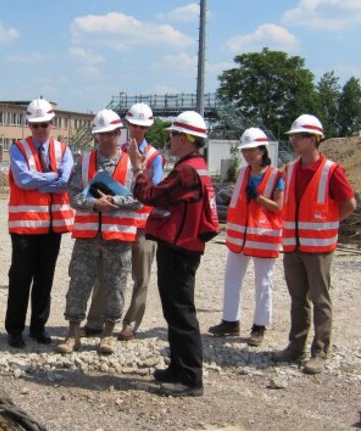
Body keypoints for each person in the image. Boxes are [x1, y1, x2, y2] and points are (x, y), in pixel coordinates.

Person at [129, 110, 220, 397]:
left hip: (180, 249)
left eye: (172, 135)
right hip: (182, 246)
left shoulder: (186, 171)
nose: (169, 140)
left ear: (185, 138)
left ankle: (191, 378)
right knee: (175, 309)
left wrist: (138, 169)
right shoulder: (195, 166)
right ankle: (179, 368)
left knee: (181, 312)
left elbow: (151, 196)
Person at [272, 114, 356, 374]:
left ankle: (319, 351)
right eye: (293, 137)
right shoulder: (291, 169)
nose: (293, 140)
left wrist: (328, 222)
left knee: (320, 300)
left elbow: (349, 205)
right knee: (298, 299)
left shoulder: (331, 170)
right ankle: (295, 347)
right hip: (293, 246)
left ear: (313, 139)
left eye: (297, 136)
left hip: (319, 248)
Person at [54, 109, 140, 355]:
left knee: (115, 287)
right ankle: (73, 334)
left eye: (109, 134)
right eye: (100, 135)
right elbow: (71, 196)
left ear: (118, 133)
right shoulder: (85, 161)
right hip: (87, 238)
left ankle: (108, 335)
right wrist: (94, 204)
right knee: (79, 285)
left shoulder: (132, 163)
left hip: (118, 239)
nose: (105, 139)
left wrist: (116, 201)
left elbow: (142, 198)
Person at [83, 103, 163, 341]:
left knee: (141, 277)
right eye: (133, 125)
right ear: (126, 126)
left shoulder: (153, 157)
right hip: (116, 223)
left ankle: (130, 323)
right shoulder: (115, 152)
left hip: (142, 227)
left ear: (148, 128)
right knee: (105, 273)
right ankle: (95, 321)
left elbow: (153, 190)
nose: (137, 130)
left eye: (142, 127)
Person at [5, 97, 74, 348]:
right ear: (29, 125)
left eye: (44, 125)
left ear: (51, 124)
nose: (40, 130)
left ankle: (38, 327)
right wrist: (53, 177)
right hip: (24, 227)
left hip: (51, 228)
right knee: (20, 280)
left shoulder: (63, 150)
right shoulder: (18, 149)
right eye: (35, 125)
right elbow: (23, 180)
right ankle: (14, 329)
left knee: (45, 280)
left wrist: (42, 179)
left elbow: (66, 180)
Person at [208, 128, 284, 347]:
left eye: (252, 150)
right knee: (232, 279)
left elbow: (279, 207)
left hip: (263, 236)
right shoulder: (242, 173)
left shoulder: (277, 175)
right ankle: (230, 321)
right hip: (240, 236)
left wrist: (258, 198)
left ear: (262, 150)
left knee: (263, 283)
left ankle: (259, 327)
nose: (248, 155)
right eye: (245, 151)